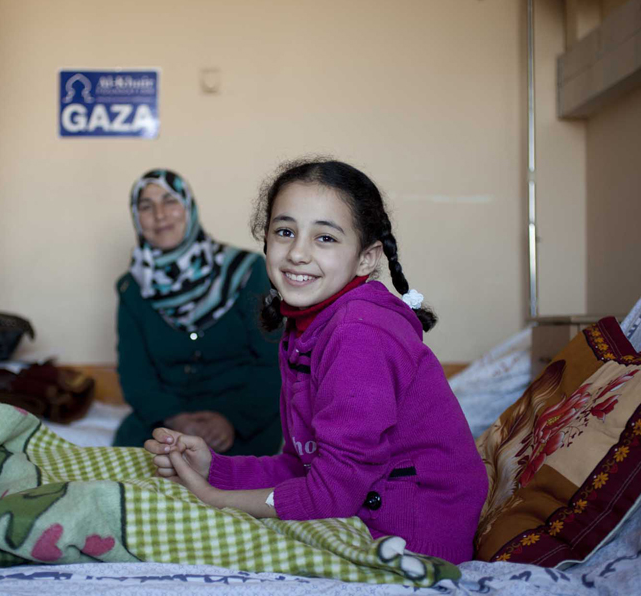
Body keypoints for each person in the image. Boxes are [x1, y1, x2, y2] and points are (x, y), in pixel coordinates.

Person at [144, 159, 488, 564]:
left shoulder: (359, 332)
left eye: (325, 238)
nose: (298, 253)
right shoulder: (306, 328)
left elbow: (331, 493)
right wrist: (213, 469)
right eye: (285, 232)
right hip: (358, 516)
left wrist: (216, 498)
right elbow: (301, 466)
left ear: (366, 258)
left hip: (413, 543)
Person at [113, 169, 282, 456]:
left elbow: (274, 358)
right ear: (136, 218)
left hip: (245, 423)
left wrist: (230, 421)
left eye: (170, 201)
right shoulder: (133, 289)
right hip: (164, 423)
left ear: (189, 207)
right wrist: (174, 419)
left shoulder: (246, 272)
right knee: (127, 478)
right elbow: (134, 373)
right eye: (145, 206)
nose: (160, 214)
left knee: (235, 485)